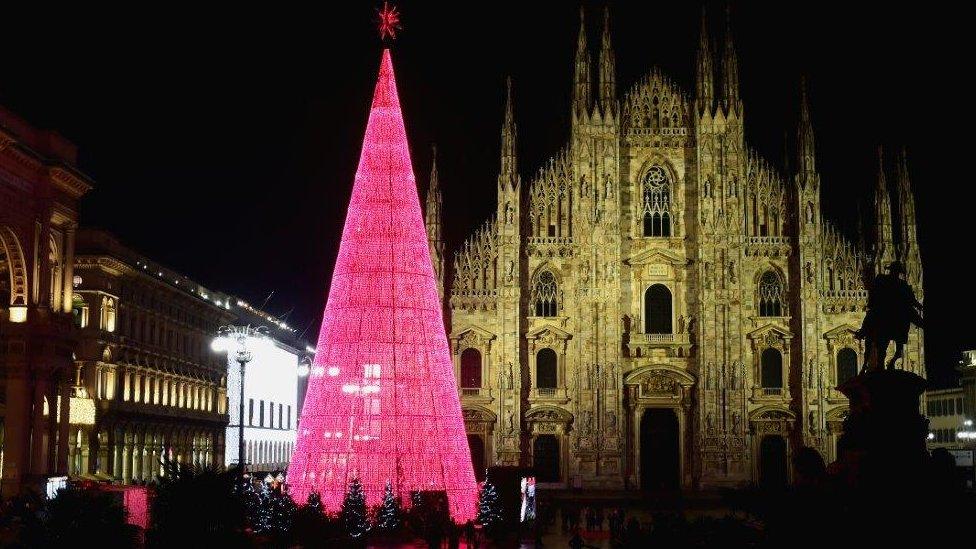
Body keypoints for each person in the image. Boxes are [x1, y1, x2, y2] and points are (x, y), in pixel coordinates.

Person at [856, 261, 923, 371]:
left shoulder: (902, 284)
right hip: (882, 308)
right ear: (891, 270)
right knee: (871, 317)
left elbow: (911, 299)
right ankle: (863, 331)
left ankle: (893, 359)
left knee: (910, 314)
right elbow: (873, 292)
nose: (896, 273)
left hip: (896, 310)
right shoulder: (882, 279)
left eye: (897, 271)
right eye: (894, 270)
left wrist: (919, 306)